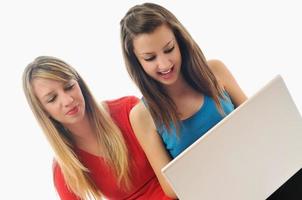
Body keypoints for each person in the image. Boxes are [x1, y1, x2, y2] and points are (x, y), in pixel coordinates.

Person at [120, 2, 247, 198]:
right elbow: (171, 189)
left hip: (252, 170)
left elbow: (255, 121)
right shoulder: (142, 115)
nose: (164, 64)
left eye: (169, 49)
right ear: (137, 62)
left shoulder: (215, 70)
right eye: (150, 58)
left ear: (180, 41)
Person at [22, 56, 174, 200]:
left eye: (69, 87)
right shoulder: (64, 170)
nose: (68, 100)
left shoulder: (129, 110)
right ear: (43, 112)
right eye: (52, 99)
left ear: (79, 84)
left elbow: (179, 157)